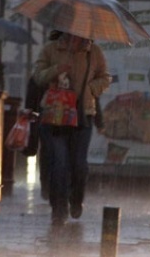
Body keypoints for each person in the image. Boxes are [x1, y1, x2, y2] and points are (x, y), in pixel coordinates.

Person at [33, 31, 110, 226]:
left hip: (83, 115)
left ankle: (76, 199)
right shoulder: (51, 49)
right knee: (59, 163)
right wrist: (56, 69)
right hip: (56, 116)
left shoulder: (94, 52)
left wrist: (92, 88)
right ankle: (58, 207)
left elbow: (105, 77)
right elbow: (38, 76)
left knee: (79, 164)